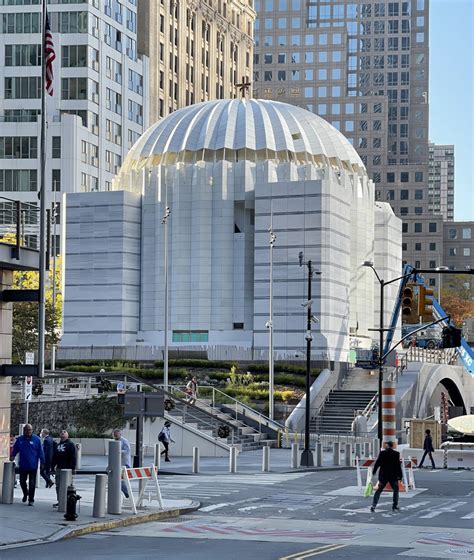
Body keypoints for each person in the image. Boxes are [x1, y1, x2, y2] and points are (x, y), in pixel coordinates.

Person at [10, 424, 45, 506]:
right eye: (26, 430)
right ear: (24, 431)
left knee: (32, 483)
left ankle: (31, 499)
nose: (28, 432)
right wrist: (12, 455)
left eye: (29, 430)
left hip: (33, 466)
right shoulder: (20, 440)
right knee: (22, 482)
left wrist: (43, 462)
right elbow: (15, 449)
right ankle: (25, 493)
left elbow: (41, 452)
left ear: (32, 430)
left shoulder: (36, 439)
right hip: (23, 465)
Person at [370, 441, 403, 513]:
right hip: (393, 476)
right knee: (396, 490)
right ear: (392, 446)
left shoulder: (382, 453)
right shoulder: (396, 454)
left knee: (379, 490)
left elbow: (377, 463)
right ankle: (395, 506)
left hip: (383, 475)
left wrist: (374, 471)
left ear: (387, 445)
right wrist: (400, 476)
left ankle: (373, 505)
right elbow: (398, 466)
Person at [51, 430, 77, 507]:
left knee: (68, 486)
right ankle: (60, 500)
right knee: (58, 485)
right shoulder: (57, 445)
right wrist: (52, 467)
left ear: (67, 435)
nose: (62, 432)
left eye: (64, 432)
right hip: (59, 468)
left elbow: (73, 457)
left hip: (68, 469)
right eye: (61, 432)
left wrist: (73, 468)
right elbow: (54, 457)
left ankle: (68, 501)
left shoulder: (71, 445)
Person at [113, 428, 132, 498]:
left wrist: (119, 451)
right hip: (119, 464)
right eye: (114, 435)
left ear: (120, 434)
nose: (115, 437)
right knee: (119, 481)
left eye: (116, 435)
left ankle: (127, 494)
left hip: (125, 464)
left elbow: (127, 451)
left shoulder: (124, 441)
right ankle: (126, 494)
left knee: (120, 481)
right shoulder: (115, 441)